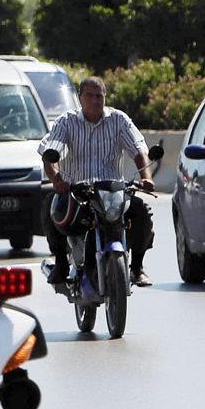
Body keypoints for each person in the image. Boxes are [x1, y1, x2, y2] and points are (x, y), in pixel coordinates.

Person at [38, 75, 155, 286]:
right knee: (50, 205)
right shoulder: (66, 122)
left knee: (142, 212)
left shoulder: (118, 119)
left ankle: (137, 267)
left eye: (99, 96)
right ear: (80, 97)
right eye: (89, 96)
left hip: (113, 193)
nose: (94, 100)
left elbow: (138, 150)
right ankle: (62, 263)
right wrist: (56, 179)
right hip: (78, 193)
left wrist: (146, 178)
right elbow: (50, 153)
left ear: (105, 97)